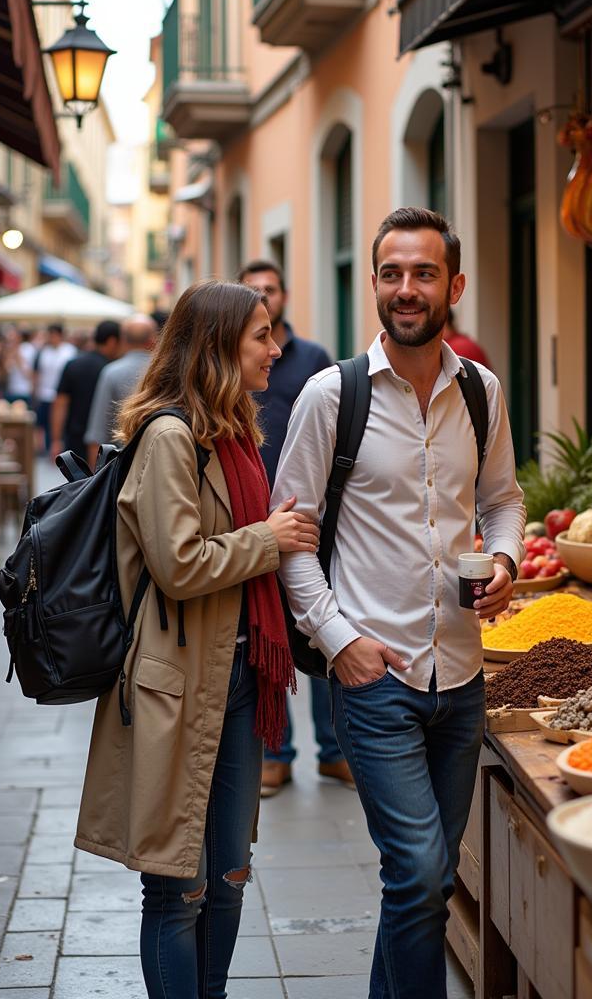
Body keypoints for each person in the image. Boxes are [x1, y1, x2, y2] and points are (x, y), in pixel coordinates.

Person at [273, 207, 525, 999]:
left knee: (429, 878)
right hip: (375, 675)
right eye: (391, 274)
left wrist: (509, 558)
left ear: (454, 285)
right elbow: (292, 538)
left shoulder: (479, 392)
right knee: (417, 871)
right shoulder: (330, 395)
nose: (405, 289)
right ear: (375, 285)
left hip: (462, 671)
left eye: (422, 274)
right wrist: (339, 639)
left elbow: (505, 499)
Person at [74, 280, 320, 999]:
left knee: (230, 877)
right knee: (177, 888)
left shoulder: (237, 434)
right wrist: (267, 540)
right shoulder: (168, 437)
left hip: (239, 681)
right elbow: (180, 565)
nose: (276, 349)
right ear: (218, 345)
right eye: (261, 336)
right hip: (174, 685)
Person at [237, 259, 349, 797]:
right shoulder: (236, 361)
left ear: (284, 294)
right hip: (254, 515)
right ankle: (276, 752)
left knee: (322, 628)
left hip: (311, 512)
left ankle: (334, 752)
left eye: (271, 288)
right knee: (270, 634)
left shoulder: (312, 358)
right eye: (253, 290)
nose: (265, 295)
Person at [84, 314, 158, 467]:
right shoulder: (167, 371)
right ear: (153, 339)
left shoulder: (111, 372)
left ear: (124, 340)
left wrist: (94, 480)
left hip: (121, 466)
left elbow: (97, 431)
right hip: (160, 462)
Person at [50, 320, 122, 461]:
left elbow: (60, 404)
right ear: (112, 341)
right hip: (107, 443)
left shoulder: (73, 364)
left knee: (77, 482)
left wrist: (56, 440)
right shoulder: (113, 369)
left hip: (75, 438)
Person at [33, 324, 77, 453]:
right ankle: (48, 449)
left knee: (62, 424)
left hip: (63, 395)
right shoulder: (43, 352)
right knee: (46, 424)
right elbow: (37, 373)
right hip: (45, 394)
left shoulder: (70, 351)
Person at [4, 328, 36, 404]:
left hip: (23, 391)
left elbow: (28, 374)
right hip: (11, 390)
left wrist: (17, 357)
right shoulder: (12, 350)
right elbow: (7, 370)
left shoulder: (29, 349)